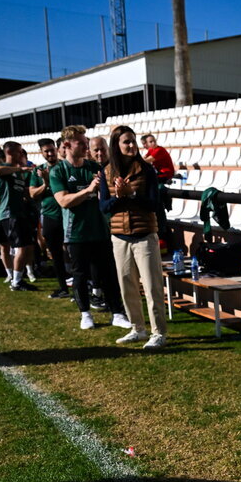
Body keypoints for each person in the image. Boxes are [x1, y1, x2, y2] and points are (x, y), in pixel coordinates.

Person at [50, 125, 132, 331]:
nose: (86, 146)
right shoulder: (58, 171)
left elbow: (105, 195)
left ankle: (117, 313)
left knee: (108, 273)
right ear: (67, 145)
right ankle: (85, 313)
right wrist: (88, 190)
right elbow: (63, 201)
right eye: (81, 142)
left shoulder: (94, 167)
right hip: (75, 232)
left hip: (100, 229)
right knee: (79, 275)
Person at [98, 126, 168, 350]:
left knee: (152, 286)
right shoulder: (106, 172)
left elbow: (155, 205)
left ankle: (158, 332)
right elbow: (104, 207)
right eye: (126, 142)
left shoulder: (147, 170)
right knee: (127, 285)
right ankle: (137, 328)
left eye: (133, 141)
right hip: (119, 237)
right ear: (116, 146)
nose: (131, 146)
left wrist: (133, 194)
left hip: (144, 235)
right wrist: (119, 197)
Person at [0, 142, 39, 291]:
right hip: (9, 213)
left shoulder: (17, 172)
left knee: (28, 246)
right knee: (21, 248)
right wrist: (20, 168)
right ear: (10, 152)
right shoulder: (6, 168)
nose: (21, 155)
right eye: (19, 152)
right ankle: (16, 282)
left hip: (20, 213)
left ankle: (20, 277)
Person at [29, 138, 70, 299]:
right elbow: (32, 194)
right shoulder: (38, 171)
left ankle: (85, 286)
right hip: (49, 216)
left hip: (67, 214)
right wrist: (45, 183)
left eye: (52, 149)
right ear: (42, 152)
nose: (50, 153)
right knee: (56, 253)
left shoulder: (65, 166)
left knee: (73, 252)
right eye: (46, 151)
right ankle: (63, 287)